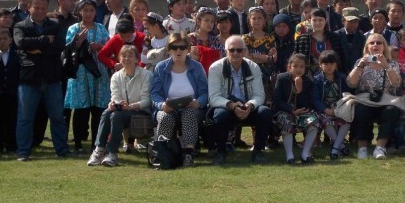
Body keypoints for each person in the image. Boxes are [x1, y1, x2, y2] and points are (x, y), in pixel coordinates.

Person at [13, 0, 70, 161]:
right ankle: (23, 151)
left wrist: (36, 48)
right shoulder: (20, 26)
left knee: (58, 117)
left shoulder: (55, 25)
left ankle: (62, 149)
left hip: (52, 77)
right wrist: (45, 40)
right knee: (25, 118)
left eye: (43, 8)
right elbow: (21, 43)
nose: (40, 11)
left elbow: (60, 46)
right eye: (36, 7)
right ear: (29, 7)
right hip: (29, 79)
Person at [207, 36, 273, 165]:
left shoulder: (253, 67)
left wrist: (250, 105)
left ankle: (258, 151)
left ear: (244, 51)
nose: (235, 53)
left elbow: (259, 95)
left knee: (265, 112)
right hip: (226, 107)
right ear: (225, 51)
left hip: (247, 107)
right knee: (220, 114)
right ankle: (221, 152)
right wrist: (231, 105)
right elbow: (213, 97)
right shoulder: (215, 68)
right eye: (232, 50)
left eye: (239, 50)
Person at [88, 45, 153, 167]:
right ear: (119, 59)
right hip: (122, 111)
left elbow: (147, 100)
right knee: (107, 112)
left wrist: (131, 106)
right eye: (124, 56)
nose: (127, 59)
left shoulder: (146, 75)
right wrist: (115, 104)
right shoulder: (116, 76)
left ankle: (112, 154)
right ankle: (99, 150)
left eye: (130, 56)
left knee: (116, 115)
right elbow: (115, 96)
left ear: (136, 59)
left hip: (141, 111)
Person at [151, 33, 209, 168]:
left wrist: (198, 102)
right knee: (165, 117)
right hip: (168, 107)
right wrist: (162, 105)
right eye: (174, 47)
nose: (178, 50)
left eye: (182, 47)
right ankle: (164, 153)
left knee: (189, 114)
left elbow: (204, 92)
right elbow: (155, 93)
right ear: (169, 48)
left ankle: (189, 153)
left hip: (190, 107)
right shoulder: (160, 67)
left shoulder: (197, 67)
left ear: (188, 49)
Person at [346, 33, 403, 160]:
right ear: (367, 47)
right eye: (372, 43)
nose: (375, 45)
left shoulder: (392, 63)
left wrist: (386, 66)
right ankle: (362, 148)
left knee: (391, 111)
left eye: (379, 43)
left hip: (385, 100)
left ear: (384, 47)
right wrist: (360, 66)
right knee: (361, 110)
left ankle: (379, 148)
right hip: (365, 100)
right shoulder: (360, 62)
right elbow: (351, 83)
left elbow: (397, 83)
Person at [65, 0, 111, 154]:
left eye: (91, 10)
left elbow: (109, 48)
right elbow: (68, 49)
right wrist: (79, 42)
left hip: (98, 73)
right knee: (81, 110)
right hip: (80, 72)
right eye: (85, 10)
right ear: (79, 11)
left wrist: (100, 46)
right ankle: (78, 143)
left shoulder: (101, 28)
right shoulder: (73, 28)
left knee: (98, 110)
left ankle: (96, 143)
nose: (88, 13)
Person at [273, 53, 320, 164]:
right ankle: (290, 156)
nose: (299, 69)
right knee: (287, 121)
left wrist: (299, 89)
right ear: (289, 67)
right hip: (283, 112)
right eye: (295, 66)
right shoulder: (281, 78)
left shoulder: (308, 81)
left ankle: (305, 153)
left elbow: (307, 102)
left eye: (302, 66)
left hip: (302, 112)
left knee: (314, 122)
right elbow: (277, 100)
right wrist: (291, 110)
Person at [312, 50, 351, 160]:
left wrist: (338, 107)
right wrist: (325, 109)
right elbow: (315, 99)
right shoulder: (316, 79)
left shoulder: (342, 77)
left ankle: (335, 148)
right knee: (325, 121)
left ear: (336, 65)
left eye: (332, 64)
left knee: (347, 119)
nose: (329, 67)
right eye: (326, 64)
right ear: (320, 65)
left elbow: (346, 95)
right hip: (323, 109)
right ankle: (340, 146)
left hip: (339, 107)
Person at [294, 8, 344, 77]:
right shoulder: (302, 39)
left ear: (326, 21)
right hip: (308, 77)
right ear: (309, 21)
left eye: (320, 20)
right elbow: (296, 59)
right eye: (314, 20)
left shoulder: (334, 37)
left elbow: (340, 58)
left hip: (331, 76)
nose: (317, 23)